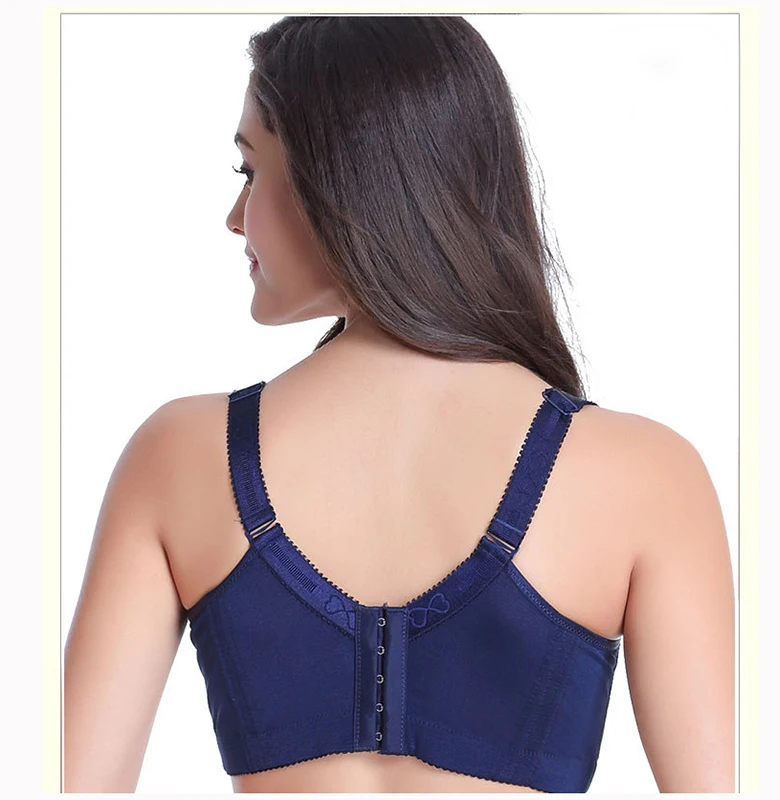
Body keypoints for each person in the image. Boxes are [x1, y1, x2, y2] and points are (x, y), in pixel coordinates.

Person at [63, 16, 735, 794]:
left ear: (337, 178)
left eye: (248, 171)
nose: (234, 216)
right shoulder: (646, 475)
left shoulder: (179, 455)